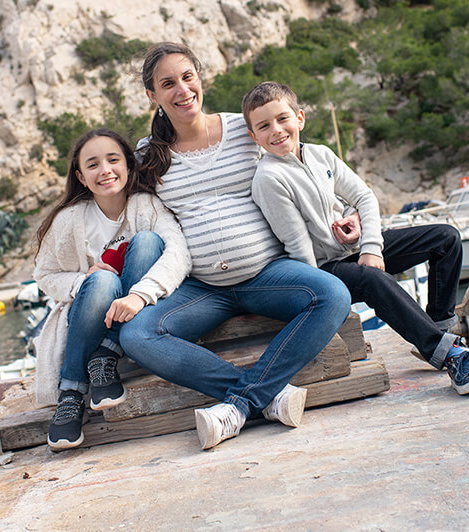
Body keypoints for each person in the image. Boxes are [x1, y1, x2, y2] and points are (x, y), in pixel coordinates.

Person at [119, 42, 352, 450]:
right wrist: (102, 263)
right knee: (138, 334)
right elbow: (131, 216)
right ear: (152, 96)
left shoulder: (245, 131)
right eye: (167, 83)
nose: (182, 90)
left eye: (187, 77)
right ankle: (265, 394)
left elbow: (304, 170)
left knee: (332, 294)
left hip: (267, 274)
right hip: (201, 288)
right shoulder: (147, 155)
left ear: (200, 79)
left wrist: (346, 211)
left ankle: (239, 405)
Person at [243, 81, 469, 396]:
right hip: (321, 271)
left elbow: (364, 196)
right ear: (254, 137)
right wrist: (322, 300)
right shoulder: (269, 178)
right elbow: (298, 248)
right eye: (264, 126)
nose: (276, 130)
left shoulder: (320, 155)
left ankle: (439, 330)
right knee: (373, 279)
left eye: (283, 119)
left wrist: (370, 245)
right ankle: (451, 356)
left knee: (445, 238)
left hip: (353, 250)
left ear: (300, 118)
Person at [33, 128, 192, 450]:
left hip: (136, 309)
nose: (104, 170)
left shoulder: (146, 205)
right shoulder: (69, 220)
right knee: (103, 280)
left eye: (113, 160)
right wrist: (82, 280)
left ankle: (107, 353)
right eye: (92, 165)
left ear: (129, 166)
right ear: (80, 176)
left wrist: (141, 292)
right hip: (91, 310)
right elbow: (45, 275)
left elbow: (179, 250)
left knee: (149, 241)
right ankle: (73, 391)